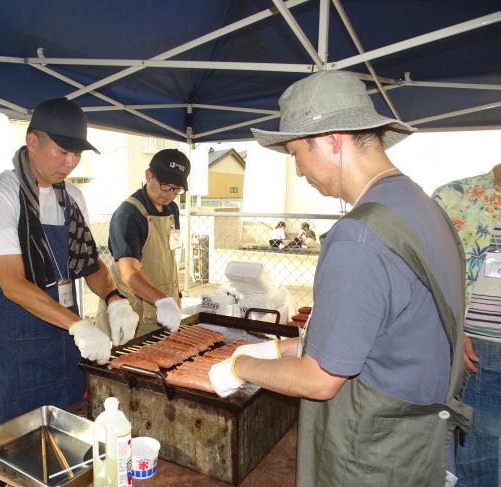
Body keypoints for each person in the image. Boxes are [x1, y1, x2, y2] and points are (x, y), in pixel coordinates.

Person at [208, 70, 471, 486]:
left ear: (333, 138)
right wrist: (279, 349)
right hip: (419, 443)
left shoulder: (360, 235)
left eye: (296, 152)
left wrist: (241, 366)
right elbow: (381, 335)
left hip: (373, 455)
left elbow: (320, 379)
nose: (297, 171)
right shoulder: (422, 206)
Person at [0, 97, 139, 440]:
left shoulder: (72, 198)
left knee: (71, 450)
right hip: (14, 356)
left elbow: (90, 264)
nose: (71, 162)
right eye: (63, 152)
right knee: (15, 453)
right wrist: (78, 324)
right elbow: (14, 285)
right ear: (33, 141)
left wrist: (114, 298)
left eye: (77, 154)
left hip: (64, 350)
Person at [433, 165, 501, 487]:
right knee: (481, 459)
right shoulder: (454, 198)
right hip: (481, 351)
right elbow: (429, 274)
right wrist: (455, 333)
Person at [97, 149, 190, 342]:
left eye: (177, 189)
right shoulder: (129, 215)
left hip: (163, 307)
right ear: (149, 175)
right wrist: (161, 300)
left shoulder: (172, 209)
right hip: (133, 313)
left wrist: (169, 299)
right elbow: (128, 272)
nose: (170, 194)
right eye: (166, 186)